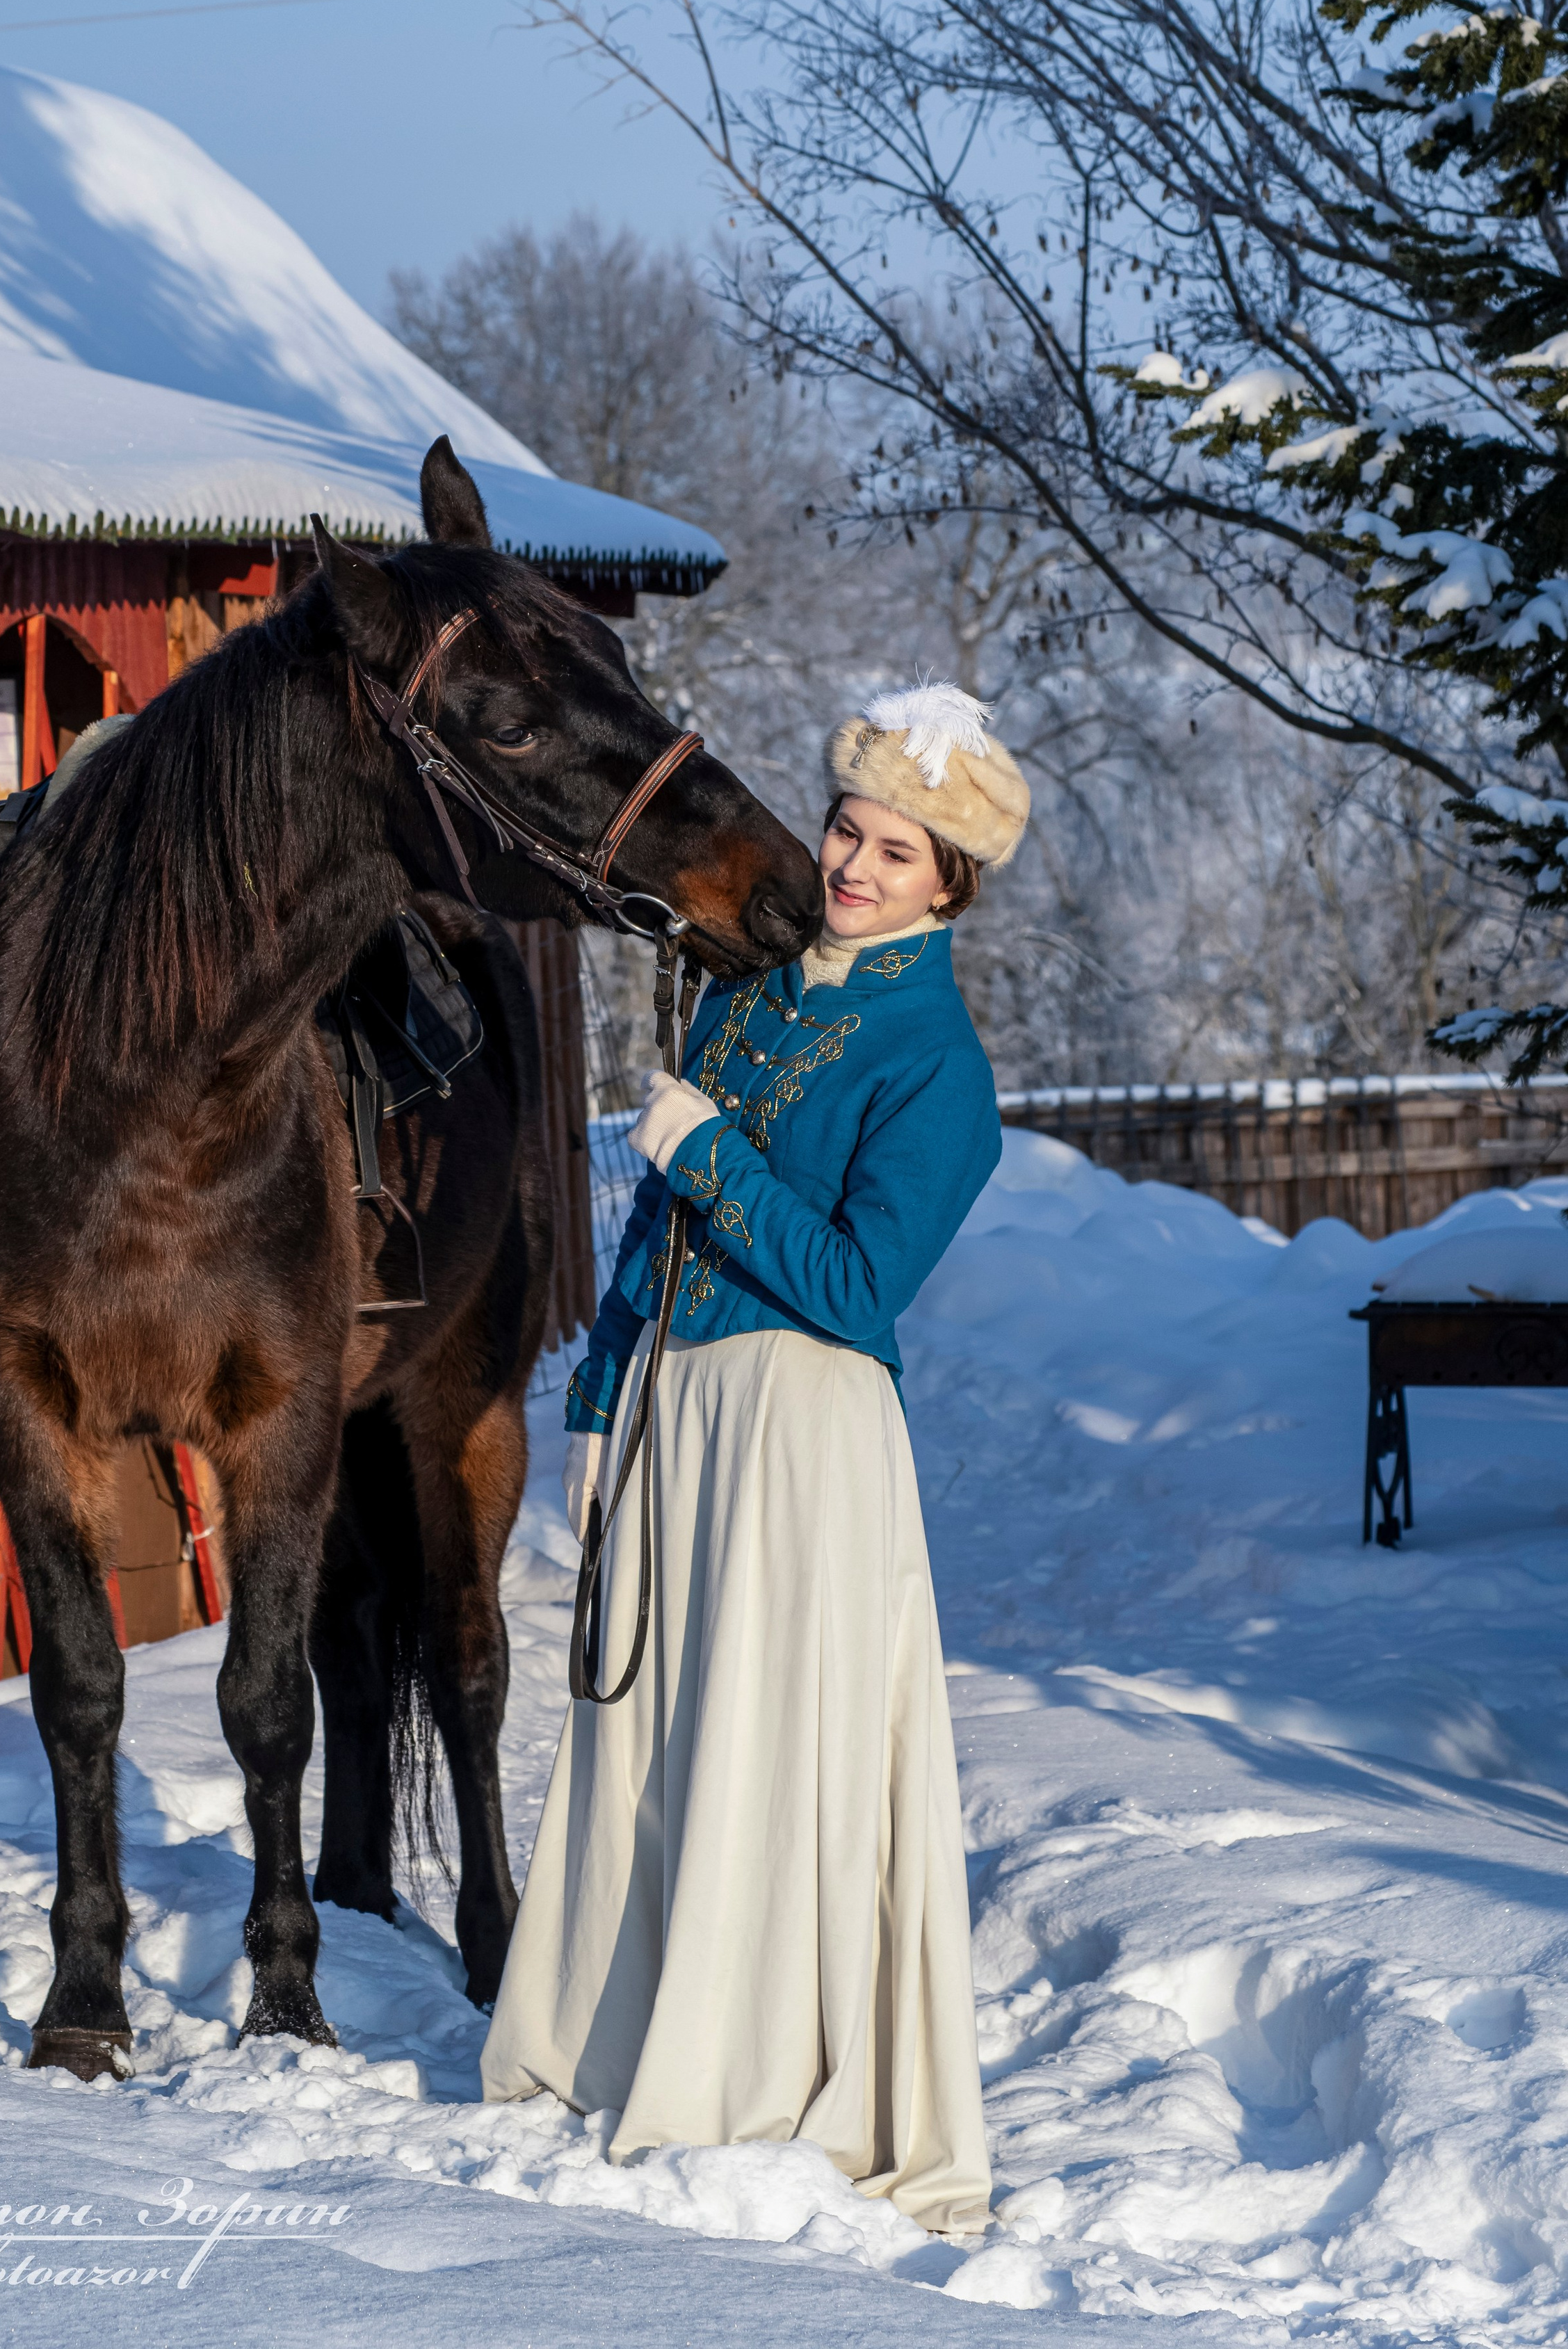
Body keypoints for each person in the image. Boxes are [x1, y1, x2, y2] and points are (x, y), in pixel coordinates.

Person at [481, 681, 1029, 2238]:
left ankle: (755, 2068)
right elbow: (654, 1229)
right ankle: (620, 2037)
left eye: (897, 853)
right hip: (677, 1407)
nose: (852, 867)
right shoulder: (749, 991)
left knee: (764, 1749)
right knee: (652, 1734)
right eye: (848, 832)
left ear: (949, 886)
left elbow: (857, 1284)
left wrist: (707, 1151)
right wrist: (600, 1400)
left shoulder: (939, 1066)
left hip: (802, 1435)